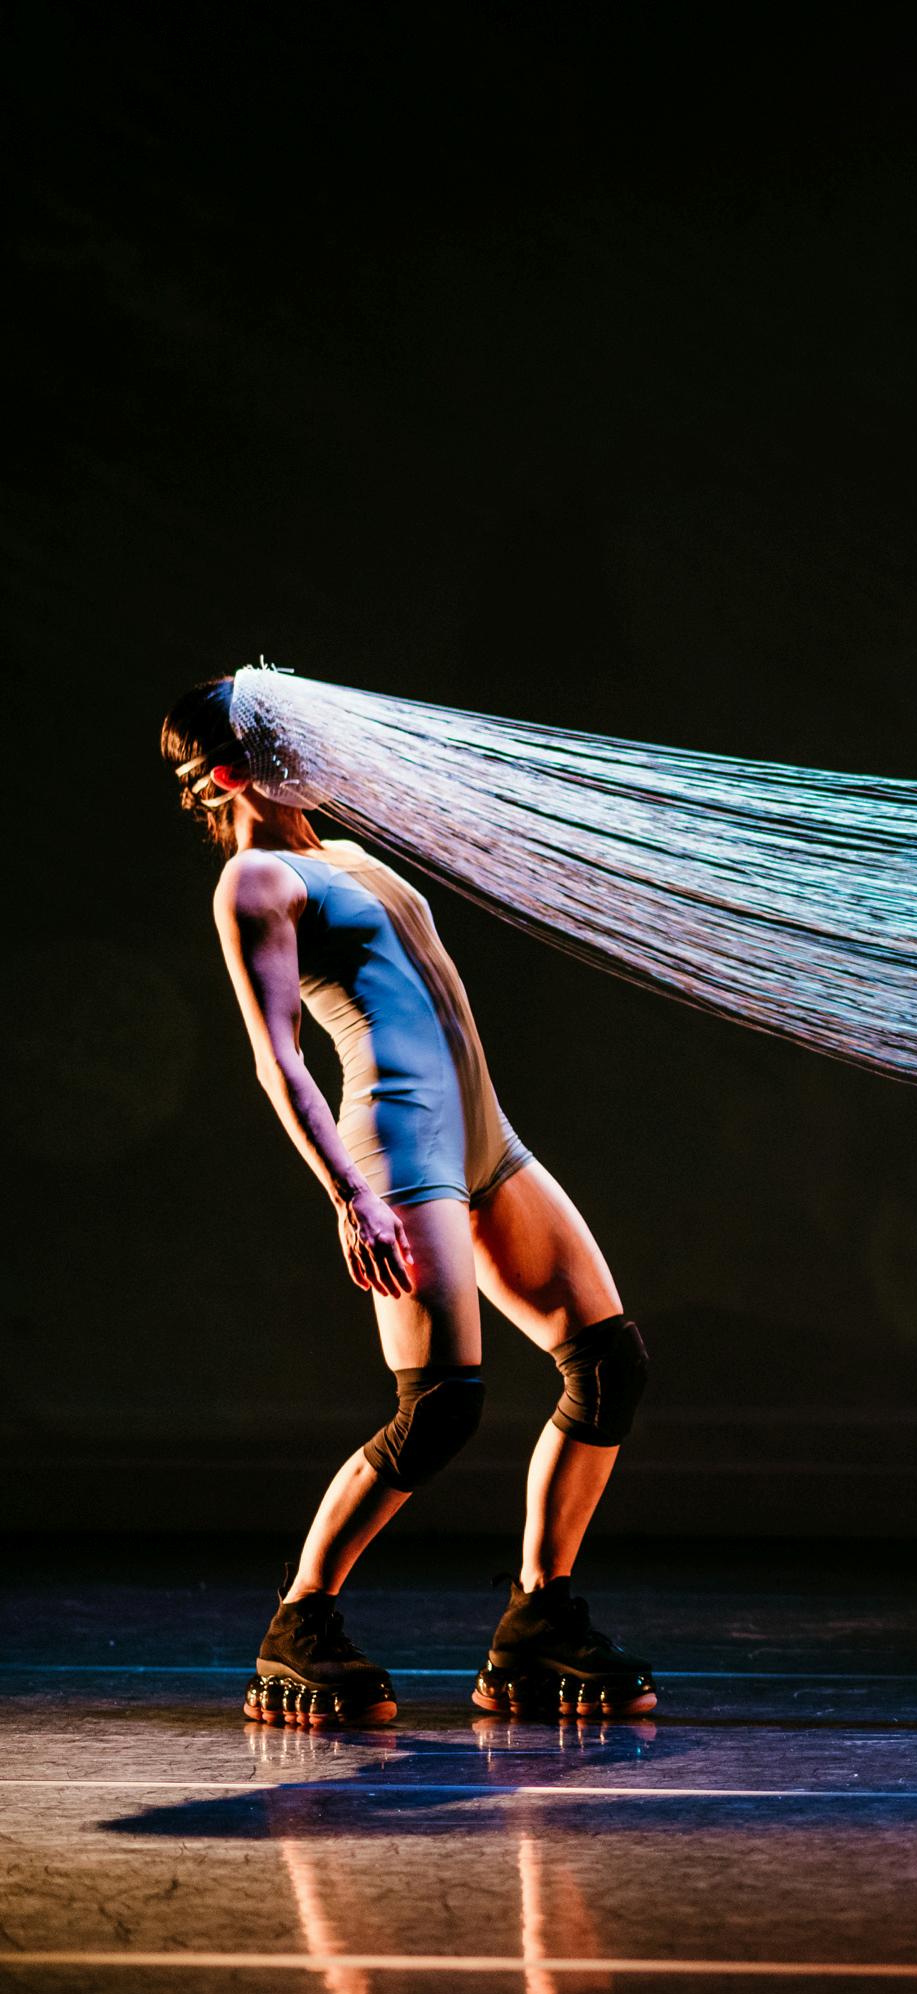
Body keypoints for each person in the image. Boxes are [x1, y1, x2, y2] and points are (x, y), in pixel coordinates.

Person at [160, 676, 658, 1723]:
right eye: (280, 734)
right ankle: (300, 1622)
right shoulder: (254, 880)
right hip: (398, 1151)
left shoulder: (343, 853)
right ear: (229, 772)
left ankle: (538, 1618)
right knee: (440, 1408)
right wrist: (351, 1194)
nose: (311, 744)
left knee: (609, 1364)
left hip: (485, 1139)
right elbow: (277, 1059)